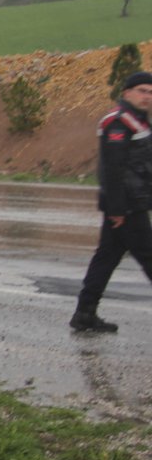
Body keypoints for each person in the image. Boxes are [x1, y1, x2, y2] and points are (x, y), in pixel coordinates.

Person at [72, 70, 152, 333]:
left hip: (131, 203)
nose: (147, 96)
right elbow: (112, 169)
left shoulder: (138, 122)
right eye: (142, 91)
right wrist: (117, 208)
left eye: (151, 92)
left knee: (106, 258)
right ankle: (84, 312)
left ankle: (85, 313)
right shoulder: (118, 122)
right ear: (126, 93)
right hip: (127, 206)